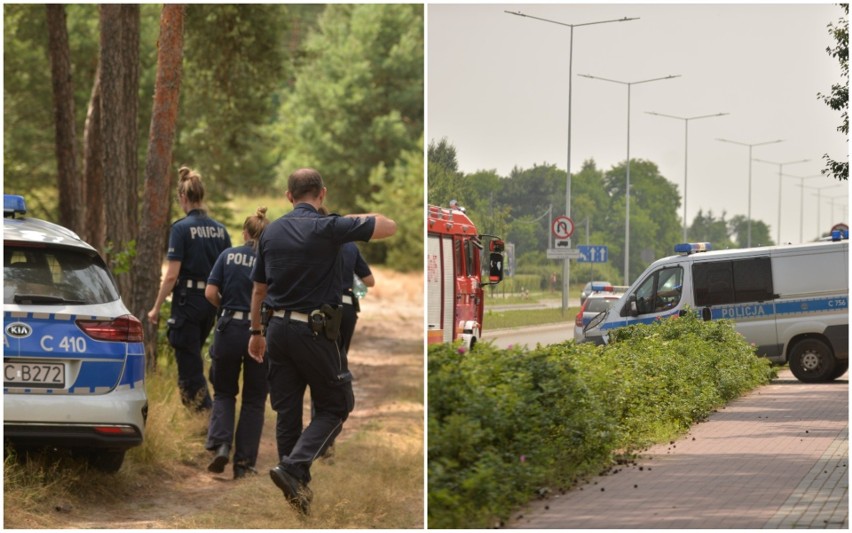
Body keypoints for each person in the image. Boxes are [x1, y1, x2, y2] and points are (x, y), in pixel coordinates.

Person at [247, 168, 396, 515]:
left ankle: (296, 492)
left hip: (276, 330)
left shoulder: (270, 233)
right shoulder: (330, 227)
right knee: (335, 405)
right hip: (312, 332)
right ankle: (294, 468)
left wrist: (256, 333)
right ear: (322, 194)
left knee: (287, 411)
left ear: (288, 196)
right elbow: (389, 225)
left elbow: (258, 289)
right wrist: (350, 221)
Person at [148, 166, 231, 411]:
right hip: (212, 302)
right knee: (193, 358)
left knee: (189, 365)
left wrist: (155, 308)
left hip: (188, 303)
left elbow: (172, 274)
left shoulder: (181, 228)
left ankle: (207, 417)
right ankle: (207, 415)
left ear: (183, 198)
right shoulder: (220, 229)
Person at [203, 207, 271, 479]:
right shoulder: (271, 260)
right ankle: (244, 464)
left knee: (223, 392)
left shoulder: (227, 255)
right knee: (254, 399)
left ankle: (221, 445)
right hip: (260, 333)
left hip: (229, 327)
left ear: (244, 233)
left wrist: (226, 308)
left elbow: (210, 292)